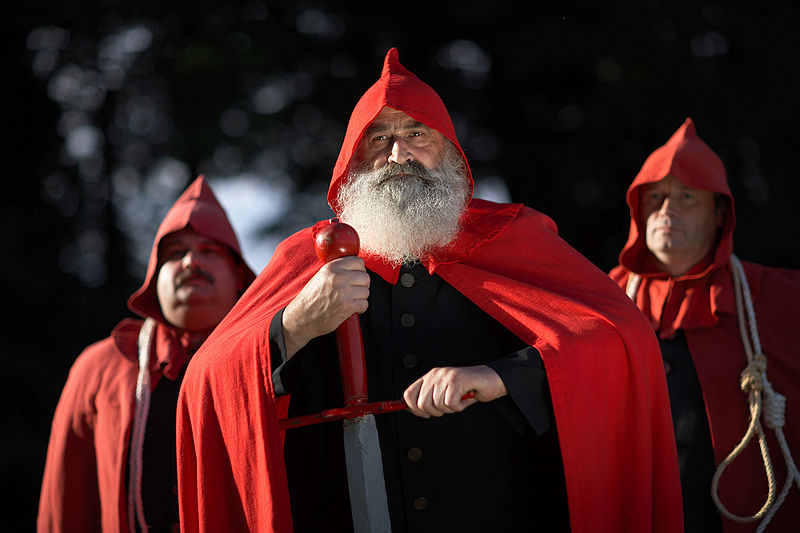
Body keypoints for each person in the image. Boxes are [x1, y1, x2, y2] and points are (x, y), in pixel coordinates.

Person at [177, 48, 682, 533]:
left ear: (452, 153)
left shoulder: (512, 238)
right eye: (378, 138)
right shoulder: (308, 258)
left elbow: (618, 339)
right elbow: (206, 381)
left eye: (416, 134)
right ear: (351, 162)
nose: (398, 154)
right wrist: (293, 325)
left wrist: (501, 376)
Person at [610, 118, 800, 533]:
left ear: (719, 214)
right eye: (655, 196)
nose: (666, 210)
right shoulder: (605, 297)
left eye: (687, 196)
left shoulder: (769, 295)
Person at [37, 176, 256, 533]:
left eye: (210, 251)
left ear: (239, 277)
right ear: (154, 279)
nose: (191, 262)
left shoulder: (270, 358)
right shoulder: (98, 367)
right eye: (176, 253)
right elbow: (65, 501)